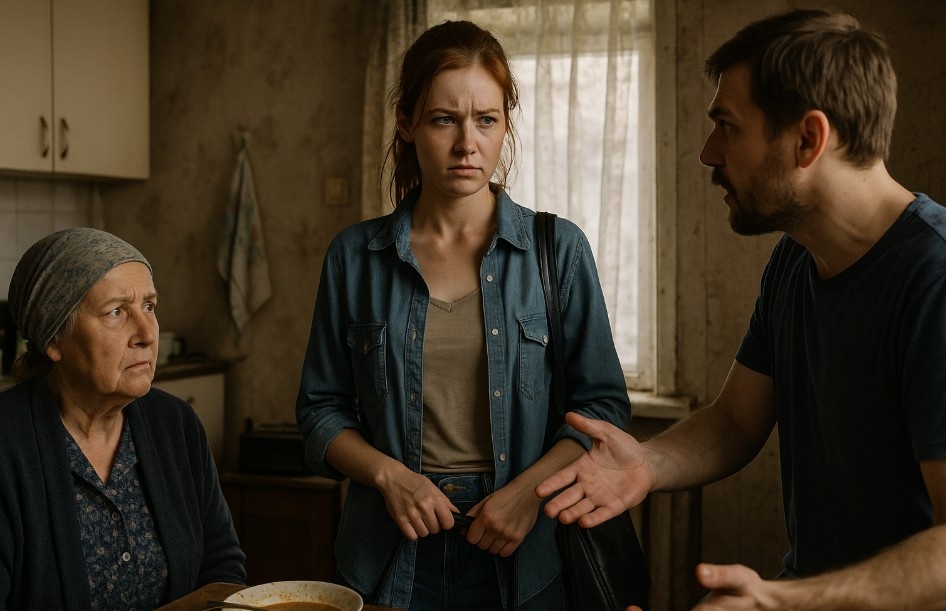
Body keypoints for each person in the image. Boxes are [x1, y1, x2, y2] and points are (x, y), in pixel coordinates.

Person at [536, 8, 946, 610]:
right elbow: (735, 421)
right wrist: (646, 463)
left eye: (727, 126)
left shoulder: (934, 279)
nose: (708, 154)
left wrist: (782, 601)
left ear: (808, 140)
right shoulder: (795, 259)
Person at [295, 19, 630, 611]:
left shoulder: (559, 250)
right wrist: (390, 478)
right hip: (389, 552)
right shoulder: (355, 256)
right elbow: (320, 412)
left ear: (505, 125)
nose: (466, 144)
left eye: (486, 120)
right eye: (444, 119)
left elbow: (600, 408)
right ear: (406, 123)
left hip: (521, 550)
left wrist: (528, 495)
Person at [0, 227, 245, 610]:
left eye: (149, 306)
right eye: (117, 311)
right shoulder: (7, 444)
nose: (147, 333)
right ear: (53, 340)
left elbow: (220, 568)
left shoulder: (175, 424)